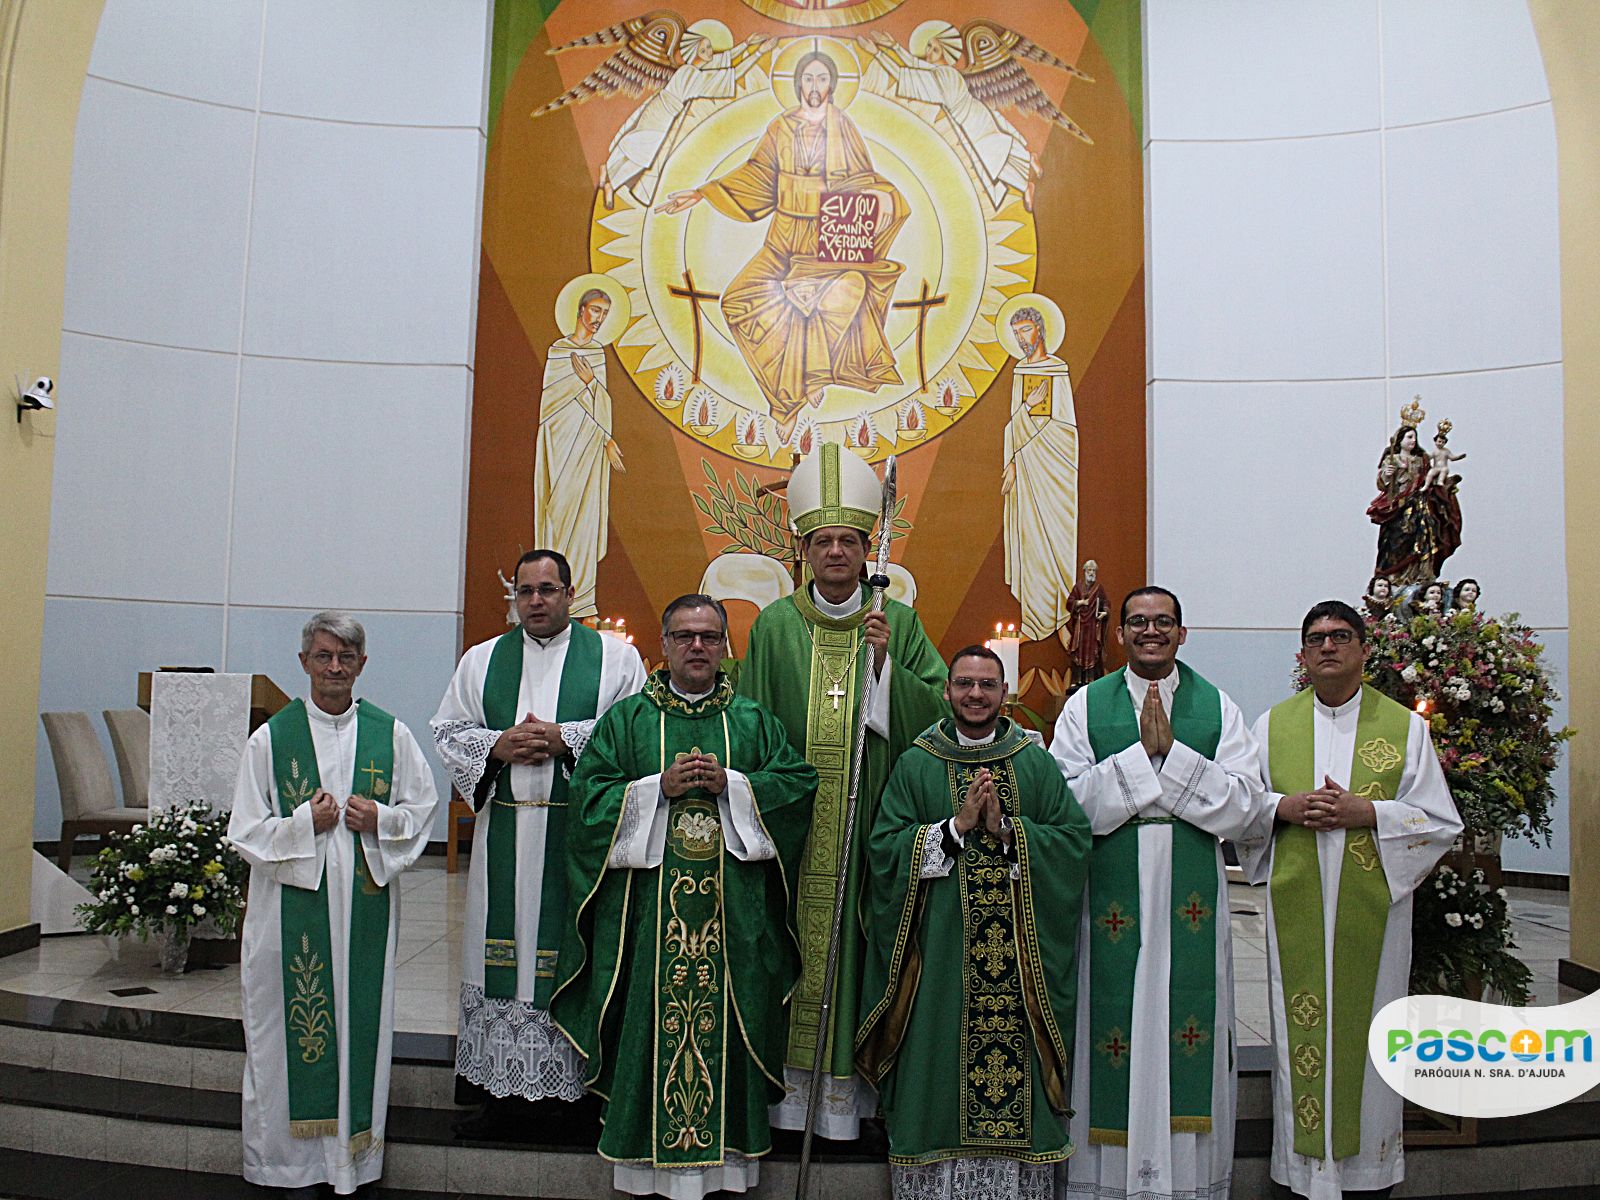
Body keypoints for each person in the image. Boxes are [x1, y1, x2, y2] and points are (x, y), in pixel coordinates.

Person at [551, 595, 817, 1197]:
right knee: (648, 1017)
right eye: (684, 636)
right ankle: (644, 1170)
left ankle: (726, 1166)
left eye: (708, 637)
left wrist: (736, 786)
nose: (697, 647)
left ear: (726, 647)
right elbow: (588, 806)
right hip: (648, 921)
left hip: (734, 919)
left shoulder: (752, 721)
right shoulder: (628, 721)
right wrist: (654, 789)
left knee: (728, 1017)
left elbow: (799, 786)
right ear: (663, 645)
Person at [739, 442, 948, 1140]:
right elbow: (753, 725)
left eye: (849, 540)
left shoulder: (901, 623)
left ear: (867, 550)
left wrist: (888, 665)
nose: (836, 552)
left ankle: (851, 1102)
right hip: (794, 832)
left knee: (866, 948)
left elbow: (941, 716)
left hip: (870, 828)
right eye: (823, 540)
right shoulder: (774, 627)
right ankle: (790, 1099)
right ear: (804, 550)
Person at [1050, 586, 1273, 1200]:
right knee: (1112, 1020)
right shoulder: (1084, 707)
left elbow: (1246, 806)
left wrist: (1168, 757)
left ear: (1182, 632)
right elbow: (1063, 805)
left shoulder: (1217, 707)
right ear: (1118, 632)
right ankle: (1106, 1182)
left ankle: (1189, 1181)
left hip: (1191, 891)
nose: (1152, 631)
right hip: (1109, 897)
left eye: (1164, 622)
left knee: (1186, 1018)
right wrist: (1145, 761)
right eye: (1139, 622)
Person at [1242, 601, 1460, 1199]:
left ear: (1365, 649)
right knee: (1300, 1034)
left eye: (1342, 636)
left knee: (1367, 1039)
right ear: (1302, 656)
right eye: (1316, 639)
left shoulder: (1404, 728)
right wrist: (1286, 807)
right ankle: (1301, 1171)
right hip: (1298, 910)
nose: (1329, 647)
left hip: (1376, 921)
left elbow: (1440, 822)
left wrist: (1367, 812)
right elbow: (1245, 810)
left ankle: (1368, 1174)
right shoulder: (1271, 727)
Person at [857, 645, 1091, 1199]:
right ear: (947, 691)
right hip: (938, 958)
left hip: (1016, 965)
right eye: (965, 684)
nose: (976, 695)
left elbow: (1073, 841)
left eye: (987, 684)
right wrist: (954, 829)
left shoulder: (1031, 760)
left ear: (1003, 691)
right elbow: (884, 849)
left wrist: (1011, 832)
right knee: (937, 1062)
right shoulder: (918, 761)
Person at [430, 549, 645, 1138]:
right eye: (525, 591)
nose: (535, 601)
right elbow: (448, 730)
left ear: (571, 595)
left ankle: (576, 1094)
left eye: (548, 590)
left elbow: (637, 730)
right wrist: (495, 747)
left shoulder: (615, 658)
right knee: (501, 955)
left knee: (572, 953)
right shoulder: (481, 660)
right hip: (505, 831)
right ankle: (500, 1092)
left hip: (578, 839)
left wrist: (563, 738)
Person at [229, 612, 438, 1197]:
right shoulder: (271, 740)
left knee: (359, 1024)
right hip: (289, 913)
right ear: (304, 663)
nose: (335, 668)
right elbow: (245, 831)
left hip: (364, 911)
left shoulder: (389, 734)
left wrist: (381, 819)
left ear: (362, 665)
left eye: (346, 657)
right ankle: (285, 1166)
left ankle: (352, 1162)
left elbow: (422, 809)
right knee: (283, 1035)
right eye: (324, 656)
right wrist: (305, 823)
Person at [657, 51, 909, 441]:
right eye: (807, 79)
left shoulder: (844, 127)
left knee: (812, 305)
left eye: (821, 78)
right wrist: (704, 193)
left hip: (826, 238)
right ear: (797, 84)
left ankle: (789, 399)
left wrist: (886, 199)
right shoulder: (780, 127)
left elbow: (865, 178)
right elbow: (757, 176)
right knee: (736, 301)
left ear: (832, 84)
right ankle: (795, 384)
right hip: (782, 236)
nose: (814, 87)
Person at [534, 286, 624, 620]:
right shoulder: (558, 352)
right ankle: (554, 590)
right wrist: (585, 387)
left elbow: (602, 401)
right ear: (581, 309)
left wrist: (590, 387)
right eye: (596, 310)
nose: (599, 319)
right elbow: (549, 405)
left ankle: (582, 598)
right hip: (560, 445)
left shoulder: (597, 354)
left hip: (589, 450)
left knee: (585, 518)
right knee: (558, 513)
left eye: (605, 314)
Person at [1000, 302, 1080, 643]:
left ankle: (1063, 615)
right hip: (1027, 470)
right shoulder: (1020, 372)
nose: (1021, 339)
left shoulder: (1058, 370)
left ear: (1041, 330)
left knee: (1057, 540)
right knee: (1030, 541)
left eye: (1025, 331)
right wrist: (1015, 462)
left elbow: (1067, 428)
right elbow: (1014, 425)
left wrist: (1031, 417)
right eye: (1016, 333)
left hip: (1057, 470)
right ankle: (1035, 621)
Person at [1366, 417, 1462, 587]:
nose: (1413, 441)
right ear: (1400, 439)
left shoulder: (1421, 459)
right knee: (1397, 540)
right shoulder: (1392, 459)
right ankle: (1394, 578)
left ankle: (1420, 576)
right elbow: (1382, 484)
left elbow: (1431, 476)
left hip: (1420, 505)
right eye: (1409, 437)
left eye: (1414, 437)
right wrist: (1387, 474)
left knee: (1424, 536)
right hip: (1397, 506)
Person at [1065, 559, 1110, 688]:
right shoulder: (1078, 587)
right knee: (1079, 651)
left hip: (1093, 626)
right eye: (1089, 570)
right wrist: (1079, 603)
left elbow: (1106, 603)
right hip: (1081, 626)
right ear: (1084, 571)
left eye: (1093, 571)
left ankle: (1091, 679)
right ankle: (1078, 679)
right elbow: (1069, 603)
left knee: (1092, 652)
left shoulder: (1099, 588)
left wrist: (1104, 613)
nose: (1091, 573)